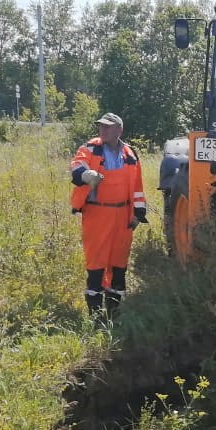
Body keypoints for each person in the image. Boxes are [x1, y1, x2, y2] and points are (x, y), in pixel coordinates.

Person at [70, 112, 147, 317]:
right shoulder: (91, 147)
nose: (102, 130)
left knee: (119, 263)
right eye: (101, 126)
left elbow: (137, 187)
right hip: (97, 214)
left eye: (107, 127)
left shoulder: (130, 154)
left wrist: (138, 213)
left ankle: (113, 313)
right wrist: (86, 175)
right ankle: (95, 315)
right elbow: (77, 165)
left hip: (123, 217)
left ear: (119, 130)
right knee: (96, 264)